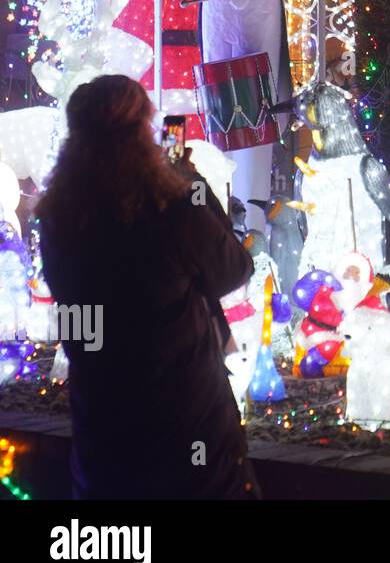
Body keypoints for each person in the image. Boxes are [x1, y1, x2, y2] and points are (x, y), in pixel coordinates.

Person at [37, 75, 259, 499]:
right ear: (142, 130)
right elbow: (233, 268)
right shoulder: (171, 206)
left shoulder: (58, 216)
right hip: (183, 416)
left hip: (101, 415)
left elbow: (80, 322)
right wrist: (191, 184)